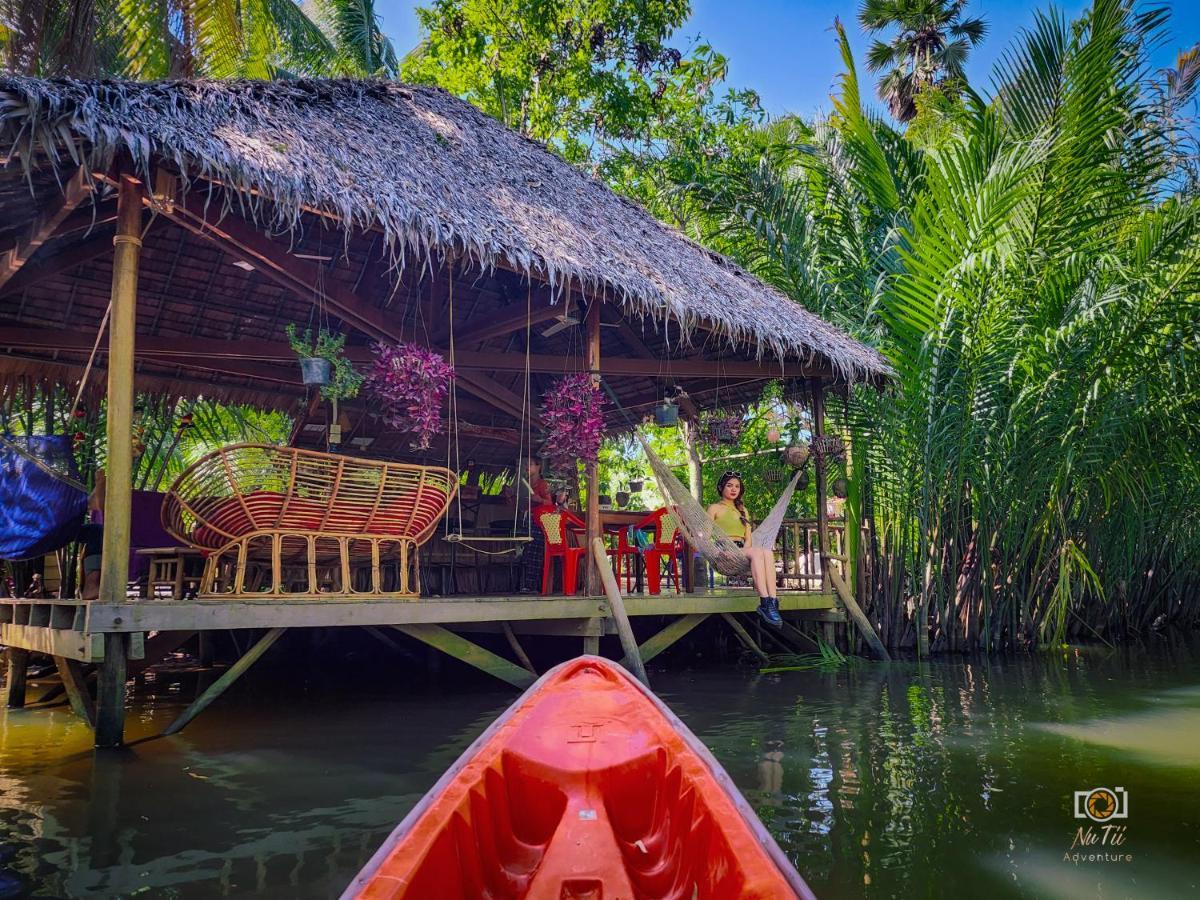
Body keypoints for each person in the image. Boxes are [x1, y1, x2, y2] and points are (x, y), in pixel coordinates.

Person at [706, 470, 782, 627]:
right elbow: (706, 536)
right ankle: (765, 601)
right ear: (721, 488)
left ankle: (772, 602)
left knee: (766, 551)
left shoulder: (743, 510)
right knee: (758, 551)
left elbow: (748, 538)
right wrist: (715, 552)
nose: (734, 489)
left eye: (737, 486)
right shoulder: (714, 508)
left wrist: (744, 552)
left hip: (741, 550)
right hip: (724, 549)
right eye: (729, 485)